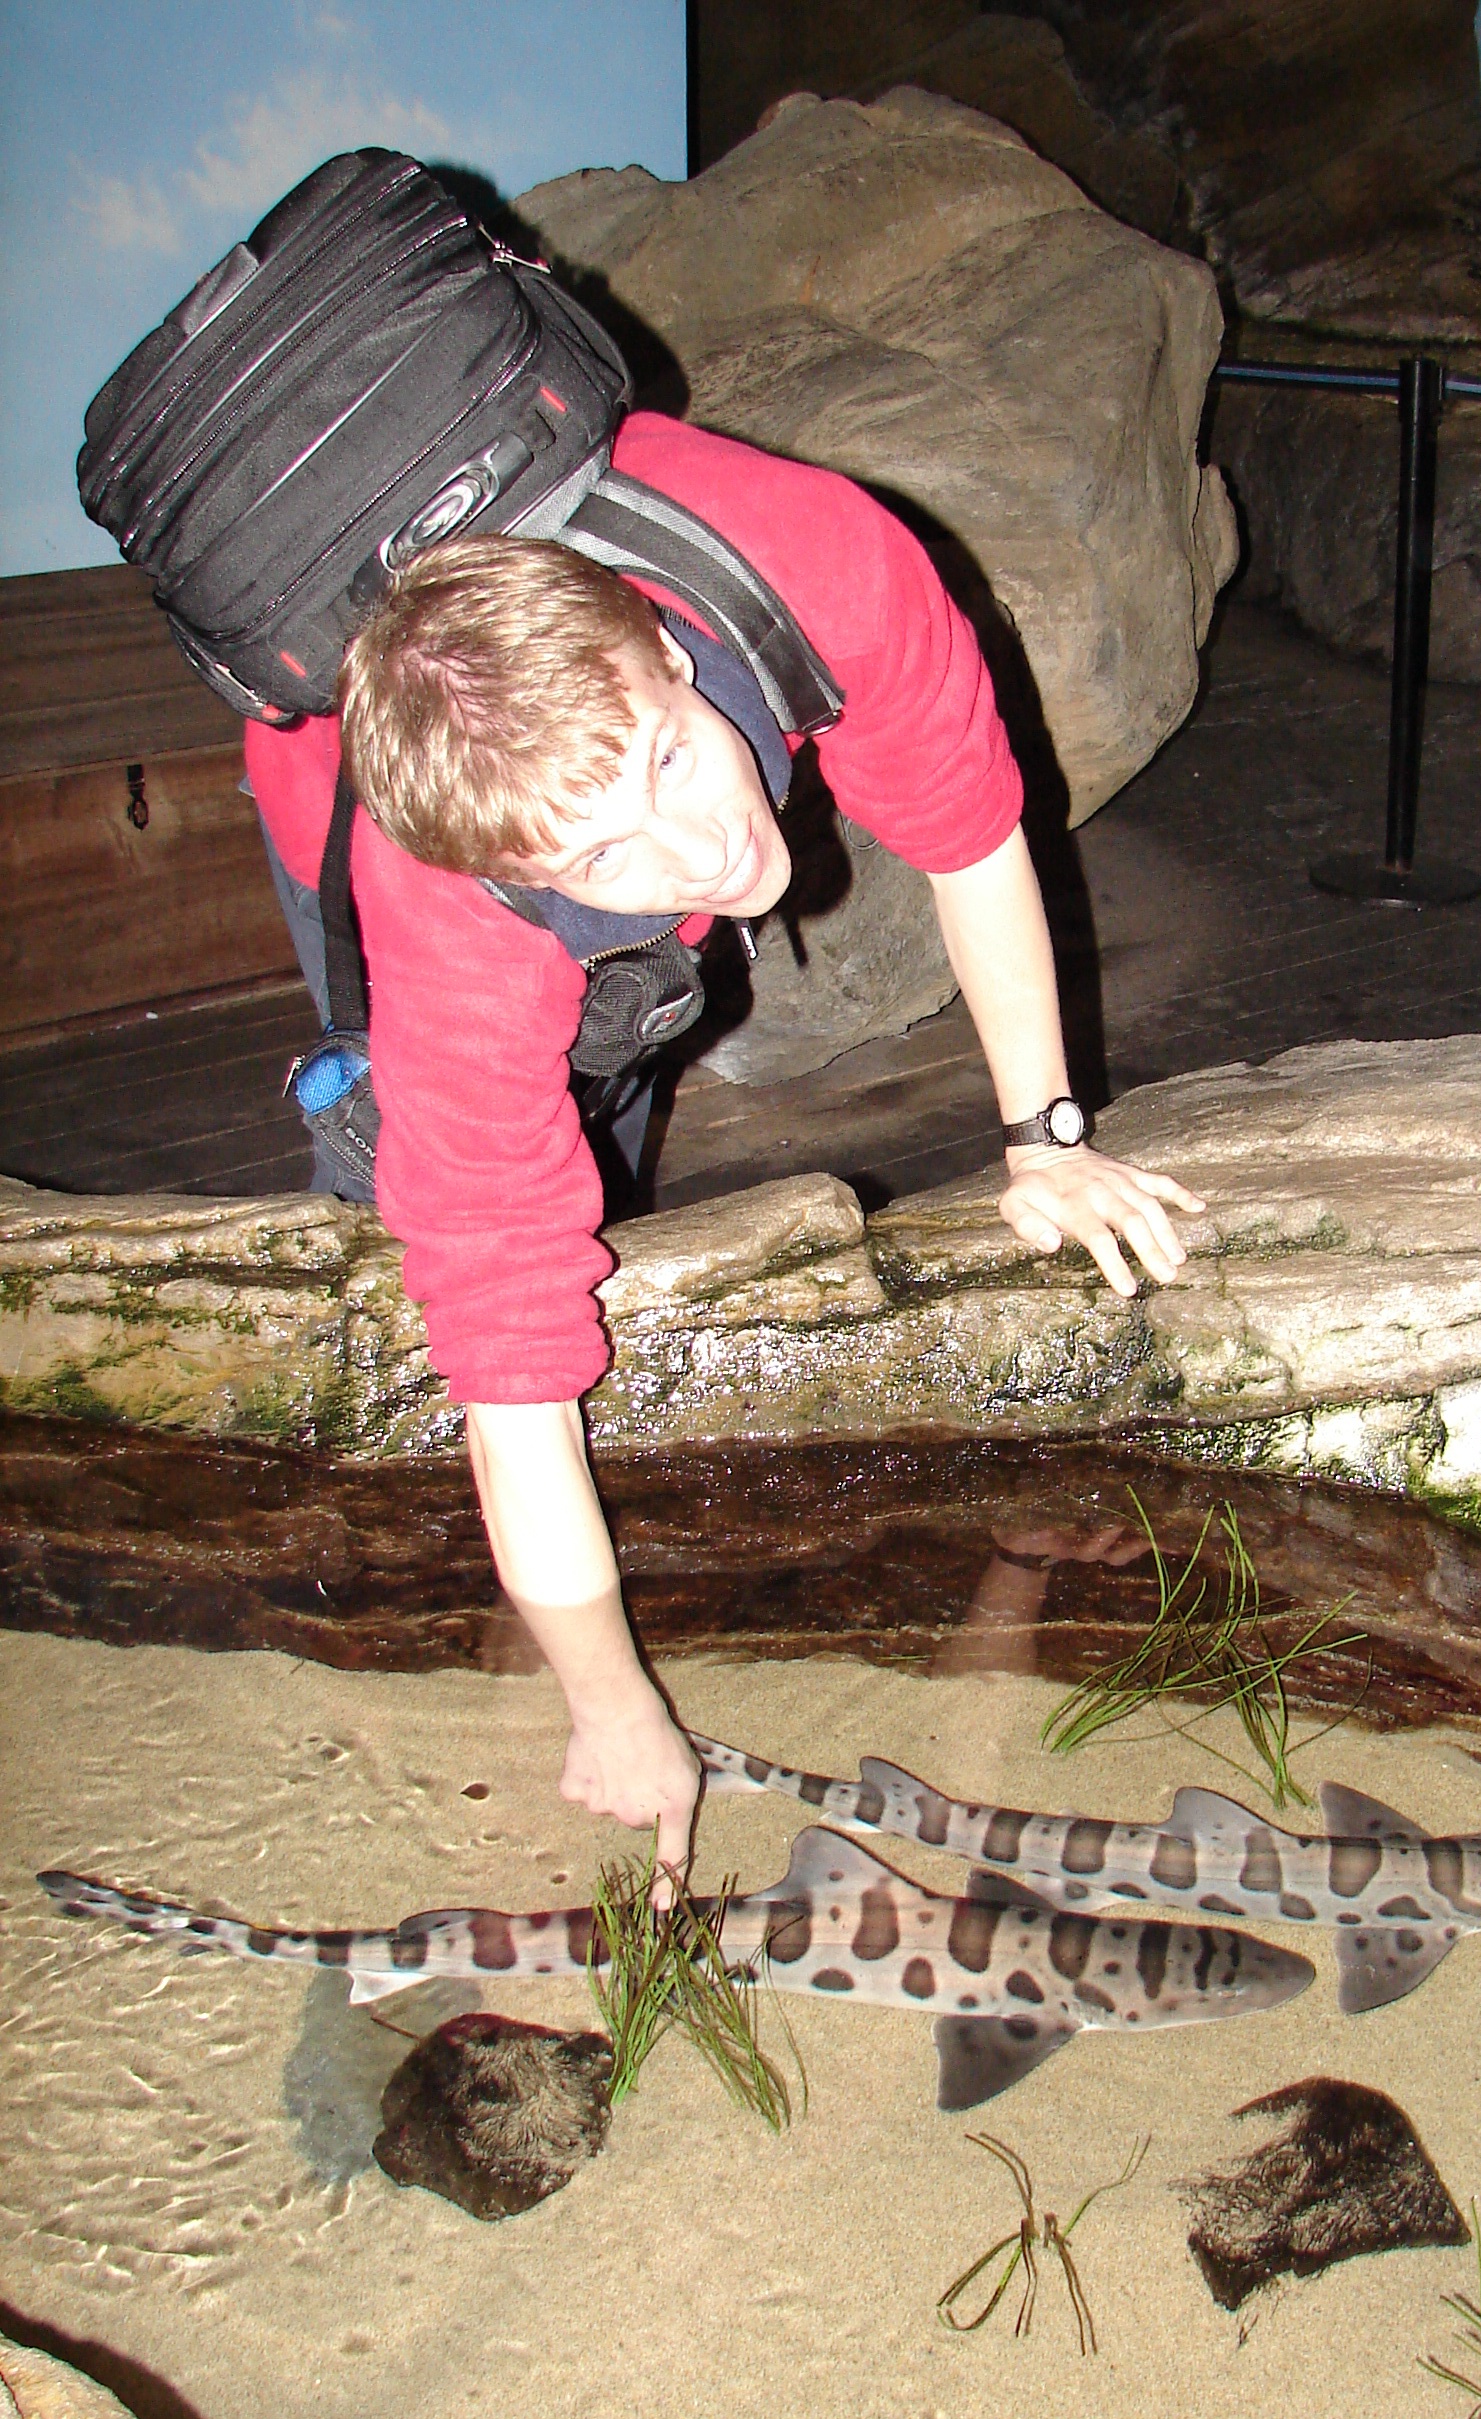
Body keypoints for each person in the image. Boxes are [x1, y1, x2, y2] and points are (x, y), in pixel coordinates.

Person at [243, 410, 1204, 1880]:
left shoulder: (821, 566)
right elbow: (509, 1354)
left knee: (608, 1083)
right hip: (355, 816)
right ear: (514, 878)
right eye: (605, 859)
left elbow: (971, 833)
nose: (699, 853)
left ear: (672, 661)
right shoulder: (461, 926)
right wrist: (613, 1702)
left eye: (674, 765)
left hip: (635, 697)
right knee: (453, 1222)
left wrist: (1046, 1140)